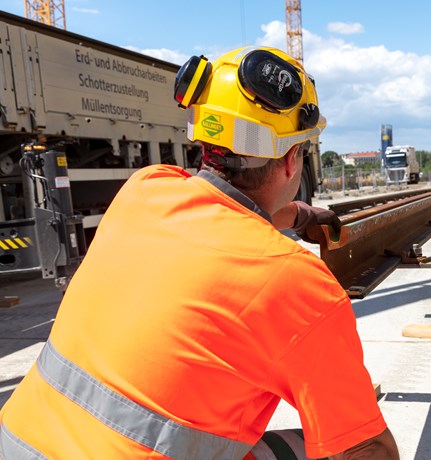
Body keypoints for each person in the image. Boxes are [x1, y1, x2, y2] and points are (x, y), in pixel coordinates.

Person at [0, 47, 399, 460]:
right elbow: (369, 450)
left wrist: (299, 216)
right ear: (292, 159)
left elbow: (225, 205)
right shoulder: (298, 283)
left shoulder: (145, 190)